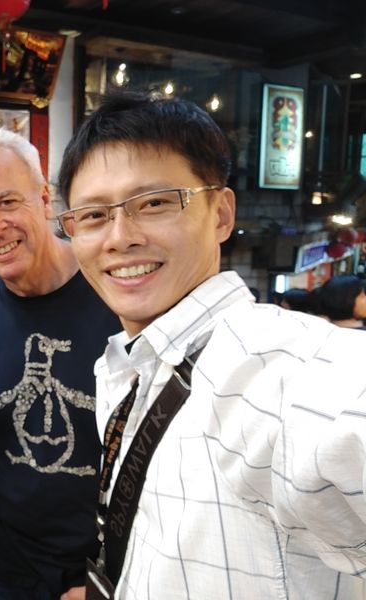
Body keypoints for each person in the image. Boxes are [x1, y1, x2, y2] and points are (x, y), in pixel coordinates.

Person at [57, 89, 366, 598]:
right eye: (92, 216)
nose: (119, 237)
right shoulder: (126, 365)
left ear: (221, 215)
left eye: (154, 203)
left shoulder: (269, 367)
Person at [0, 128, 121, 599]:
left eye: (7, 201)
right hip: (8, 563)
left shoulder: (118, 295)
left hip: (113, 563)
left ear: (45, 199)